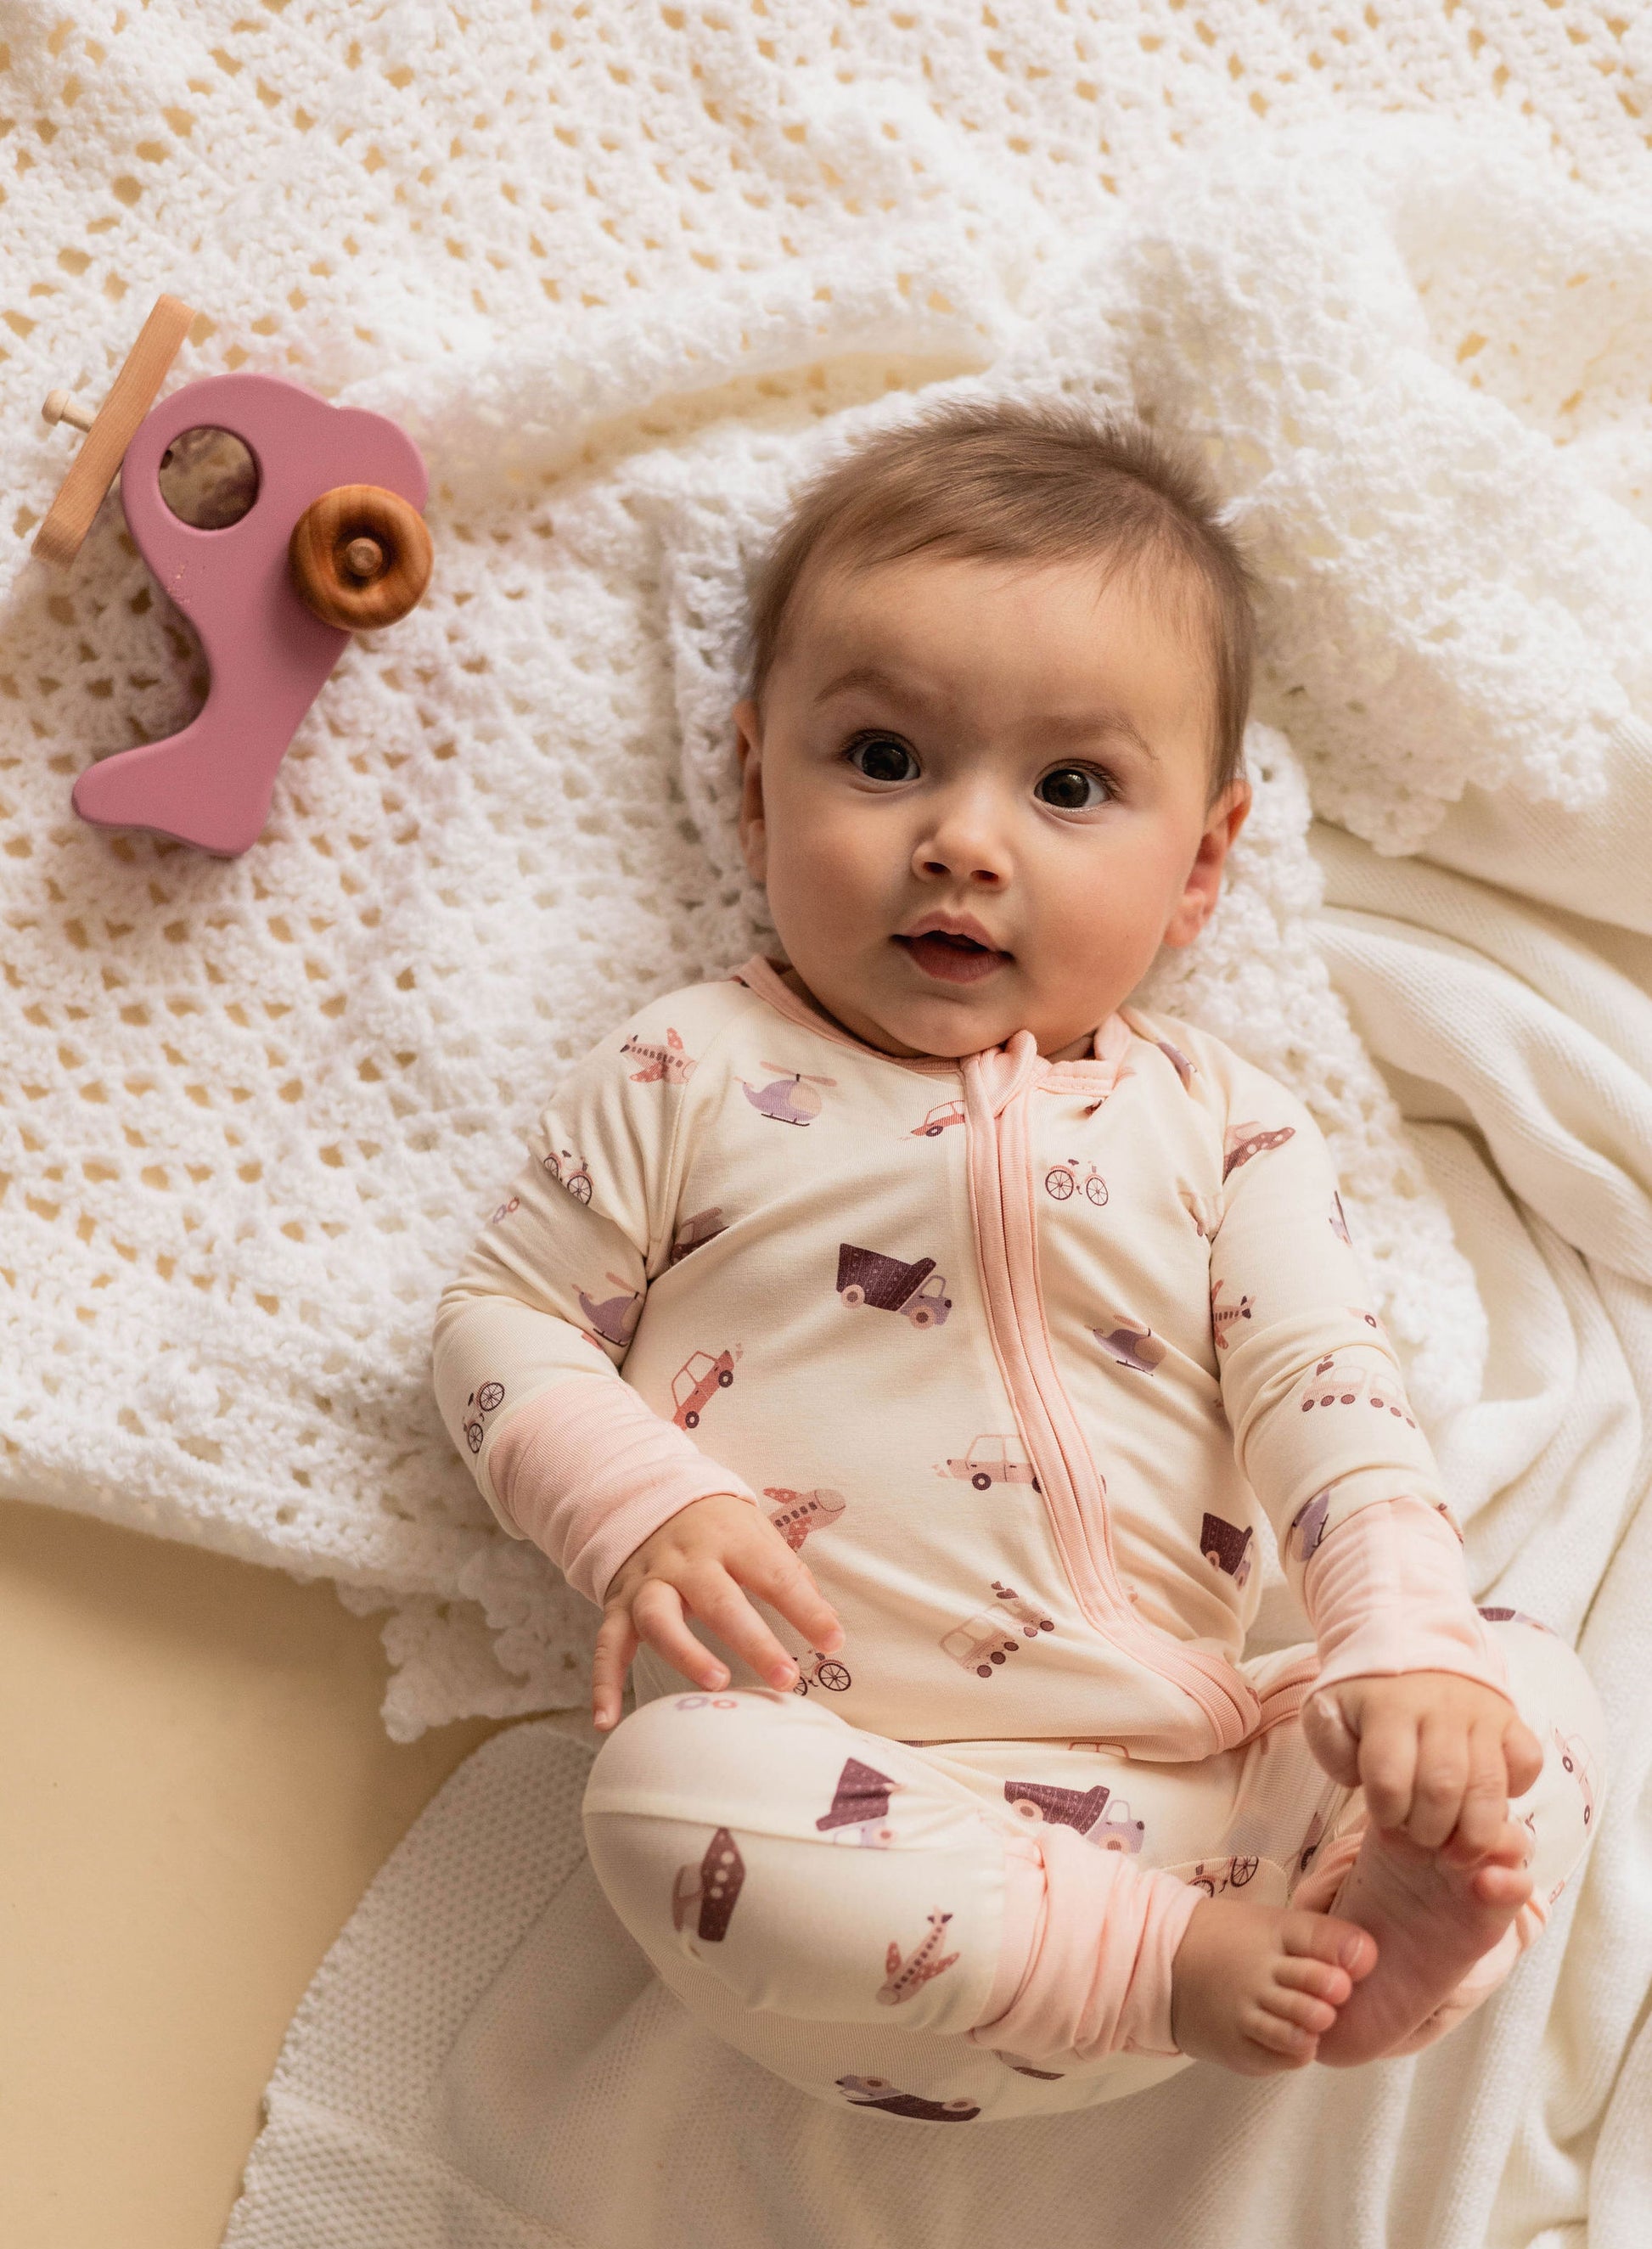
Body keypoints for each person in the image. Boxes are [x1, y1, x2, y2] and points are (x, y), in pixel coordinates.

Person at [432, 404, 1604, 2122]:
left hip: (1221, 1801)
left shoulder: (1221, 1122)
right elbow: (501, 1320)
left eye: (1068, 789)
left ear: (1200, 865)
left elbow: (1323, 1389)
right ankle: (1158, 1966)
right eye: (883, 757)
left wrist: (1398, 1646)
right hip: (885, 1840)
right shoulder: (684, 1069)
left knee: (1526, 1681)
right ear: (753, 788)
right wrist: (630, 1502)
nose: (964, 842)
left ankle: (1383, 1933)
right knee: (659, 1791)